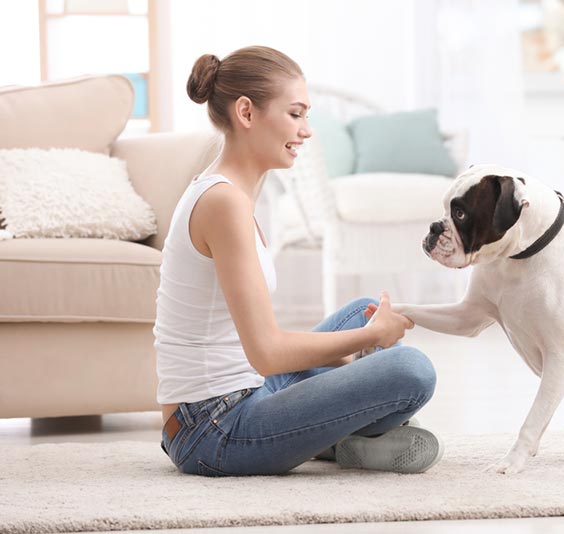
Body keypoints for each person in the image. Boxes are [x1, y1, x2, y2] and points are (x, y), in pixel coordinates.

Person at [155, 45, 441, 477]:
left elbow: (257, 360)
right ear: (246, 113)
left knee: (360, 313)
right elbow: (267, 352)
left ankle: (339, 436)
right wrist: (366, 342)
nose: (307, 131)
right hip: (213, 431)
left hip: (246, 391)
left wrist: (357, 341)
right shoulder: (222, 203)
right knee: (411, 369)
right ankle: (351, 434)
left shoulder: (232, 193)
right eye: (296, 114)